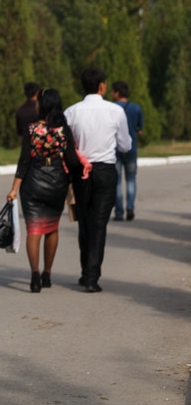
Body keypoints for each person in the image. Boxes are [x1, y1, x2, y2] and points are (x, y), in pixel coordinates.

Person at [6, 89, 85, 293]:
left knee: (34, 230)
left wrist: (14, 189)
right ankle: (47, 274)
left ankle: (34, 276)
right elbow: (72, 161)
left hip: (32, 184)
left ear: (42, 105)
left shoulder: (31, 129)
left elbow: (24, 161)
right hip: (57, 184)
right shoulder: (63, 131)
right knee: (51, 228)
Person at [64, 68, 132, 293]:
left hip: (80, 172)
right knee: (98, 223)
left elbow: (67, 145)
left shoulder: (70, 112)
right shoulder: (116, 111)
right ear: (102, 86)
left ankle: (86, 272)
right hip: (105, 171)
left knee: (84, 222)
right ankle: (92, 277)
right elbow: (125, 145)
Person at [111, 81, 144, 221]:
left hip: (114, 149)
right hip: (131, 148)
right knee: (131, 179)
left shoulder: (111, 108)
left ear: (117, 93)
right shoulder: (136, 108)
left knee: (117, 181)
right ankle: (130, 208)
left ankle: (119, 212)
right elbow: (140, 130)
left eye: (113, 91)